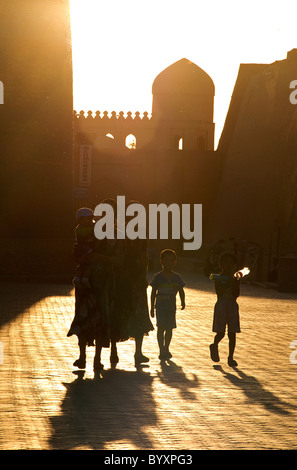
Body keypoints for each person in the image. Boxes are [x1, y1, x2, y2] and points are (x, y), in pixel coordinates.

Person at [150, 249, 185, 360]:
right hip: (160, 307)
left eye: (171, 261)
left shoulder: (177, 277)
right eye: (166, 260)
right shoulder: (158, 277)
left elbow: (181, 290)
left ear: (175, 262)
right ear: (161, 262)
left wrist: (183, 301)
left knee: (169, 328)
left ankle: (166, 348)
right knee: (161, 328)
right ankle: (161, 349)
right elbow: (153, 292)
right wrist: (152, 307)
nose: (168, 263)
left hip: (171, 307)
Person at [209, 252, 241, 367]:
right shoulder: (218, 278)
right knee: (221, 332)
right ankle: (214, 345)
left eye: (231, 263)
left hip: (232, 305)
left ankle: (230, 357)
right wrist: (229, 283)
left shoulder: (236, 278)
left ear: (235, 266)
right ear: (220, 264)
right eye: (226, 263)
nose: (228, 265)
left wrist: (235, 282)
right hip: (221, 305)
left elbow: (236, 294)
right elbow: (220, 292)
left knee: (232, 333)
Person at [73, 208, 96, 289]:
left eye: (91, 218)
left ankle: (79, 278)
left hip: (83, 249)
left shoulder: (83, 228)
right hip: (85, 249)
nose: (90, 221)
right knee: (88, 264)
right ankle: (84, 279)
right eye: (88, 219)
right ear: (80, 220)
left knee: (83, 265)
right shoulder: (80, 229)